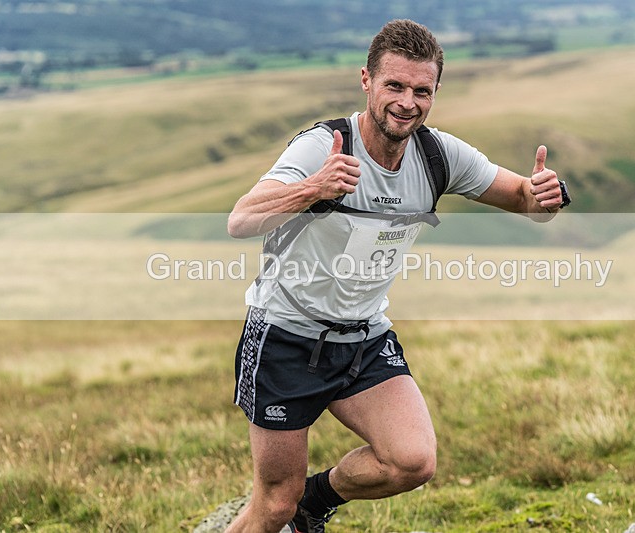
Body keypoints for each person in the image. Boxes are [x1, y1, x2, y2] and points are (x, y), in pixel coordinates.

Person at [225, 18, 569, 533]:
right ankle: (294, 506)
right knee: (275, 502)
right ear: (367, 80)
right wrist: (312, 189)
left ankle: (315, 504)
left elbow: (524, 200)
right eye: (395, 85)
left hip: (363, 337)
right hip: (285, 336)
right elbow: (240, 220)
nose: (408, 101)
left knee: (412, 462)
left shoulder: (438, 155)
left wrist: (544, 197)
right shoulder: (324, 147)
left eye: (422, 91)